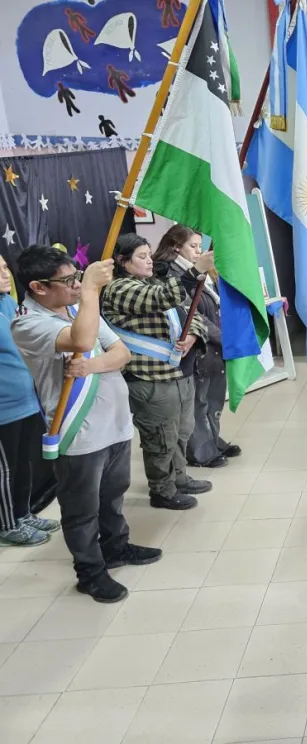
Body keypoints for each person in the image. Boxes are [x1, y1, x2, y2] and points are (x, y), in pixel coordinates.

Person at [12, 247, 162, 602]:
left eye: (78, 278)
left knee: (113, 496)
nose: (77, 285)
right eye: (68, 281)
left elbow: (122, 353)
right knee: (82, 510)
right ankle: (90, 572)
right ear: (38, 287)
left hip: (115, 424)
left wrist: (92, 366)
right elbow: (81, 340)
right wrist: (92, 291)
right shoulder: (27, 323)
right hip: (79, 432)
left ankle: (116, 547)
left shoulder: (80, 307)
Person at [102, 233, 212, 510]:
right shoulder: (118, 289)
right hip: (150, 377)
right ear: (121, 261)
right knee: (160, 438)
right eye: (141, 256)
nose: (150, 261)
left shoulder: (150, 282)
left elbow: (193, 314)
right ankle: (162, 490)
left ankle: (179, 477)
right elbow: (161, 298)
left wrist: (193, 336)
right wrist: (196, 271)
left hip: (178, 371)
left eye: (149, 255)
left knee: (181, 432)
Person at [152, 226, 240, 468]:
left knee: (213, 398)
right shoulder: (171, 274)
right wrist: (222, 337)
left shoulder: (201, 271)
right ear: (175, 247)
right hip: (196, 346)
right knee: (197, 402)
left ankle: (212, 440)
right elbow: (190, 313)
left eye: (200, 246)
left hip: (213, 344)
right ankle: (200, 450)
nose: (198, 251)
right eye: (193, 246)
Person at [0, 254, 59, 547]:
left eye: (4, 267)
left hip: (26, 401)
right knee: (4, 470)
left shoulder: (9, 304)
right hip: (3, 409)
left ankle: (23, 513)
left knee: (24, 464)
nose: (4, 273)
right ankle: (7, 525)